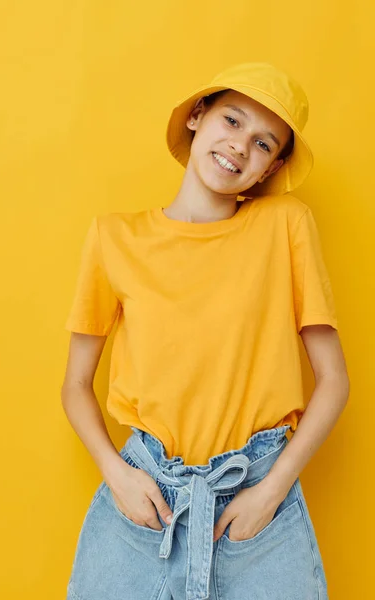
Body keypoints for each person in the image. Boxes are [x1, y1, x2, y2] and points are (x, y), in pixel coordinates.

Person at [61, 62, 350, 600]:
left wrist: (272, 492)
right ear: (197, 116)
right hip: (144, 497)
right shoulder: (113, 237)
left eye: (264, 143)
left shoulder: (285, 224)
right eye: (232, 120)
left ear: (271, 168)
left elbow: (333, 381)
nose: (241, 147)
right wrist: (116, 475)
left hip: (258, 495)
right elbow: (76, 385)